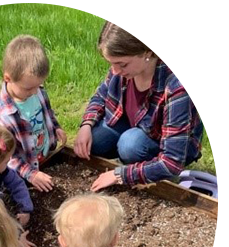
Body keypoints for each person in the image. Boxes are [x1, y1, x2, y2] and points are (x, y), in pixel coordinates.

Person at [74, 1, 204, 192]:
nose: (115, 71)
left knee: (130, 146)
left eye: (122, 64)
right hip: (135, 124)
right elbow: (101, 96)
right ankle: (131, 157)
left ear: (147, 52)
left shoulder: (177, 81)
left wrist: (120, 174)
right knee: (95, 139)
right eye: (111, 64)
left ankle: (139, 165)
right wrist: (86, 125)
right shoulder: (123, 69)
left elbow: (172, 161)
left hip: (162, 140)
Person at [0, 34, 67, 193]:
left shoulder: (37, 92)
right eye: (28, 88)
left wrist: (56, 127)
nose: (34, 92)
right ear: (8, 78)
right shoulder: (3, 114)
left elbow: (48, 112)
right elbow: (7, 158)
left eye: (38, 86)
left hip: (42, 157)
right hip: (23, 171)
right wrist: (31, 175)